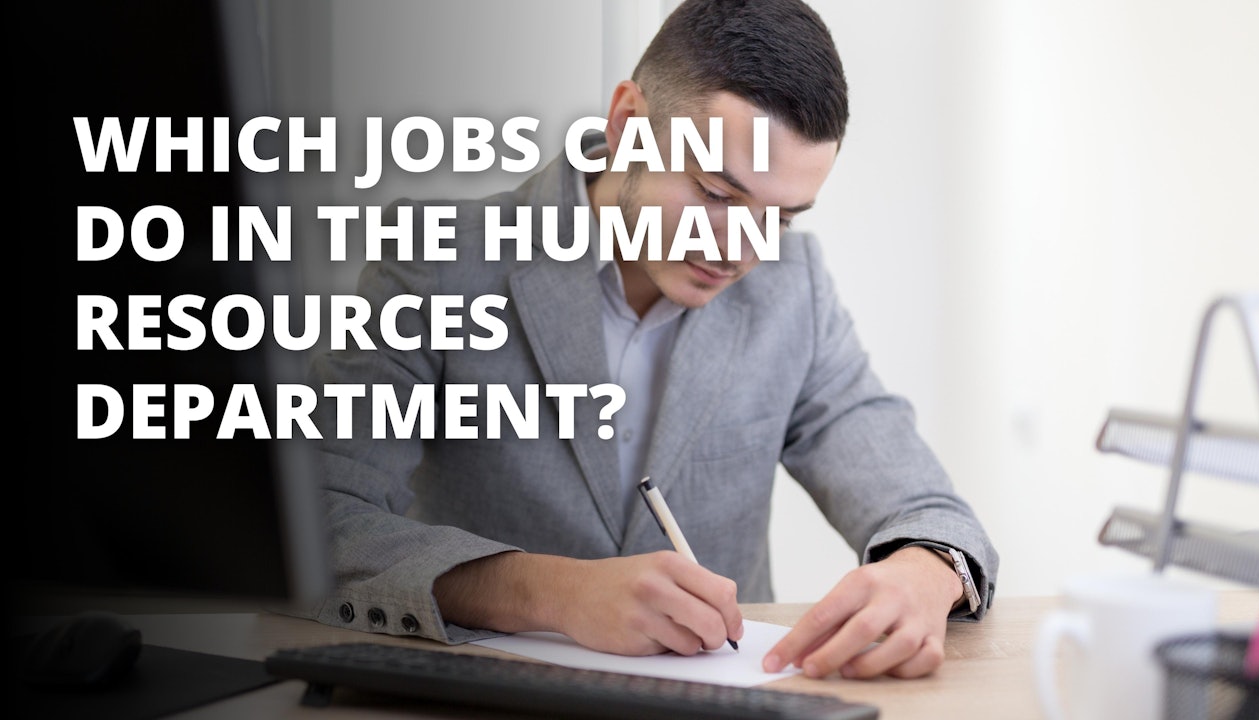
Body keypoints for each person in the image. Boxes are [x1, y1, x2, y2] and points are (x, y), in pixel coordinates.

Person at [303, 0, 999, 681]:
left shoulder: (795, 290)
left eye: (781, 215)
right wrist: (549, 592)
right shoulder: (437, 262)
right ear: (629, 121)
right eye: (718, 195)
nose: (744, 251)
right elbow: (320, 519)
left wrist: (923, 571)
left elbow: (924, 504)